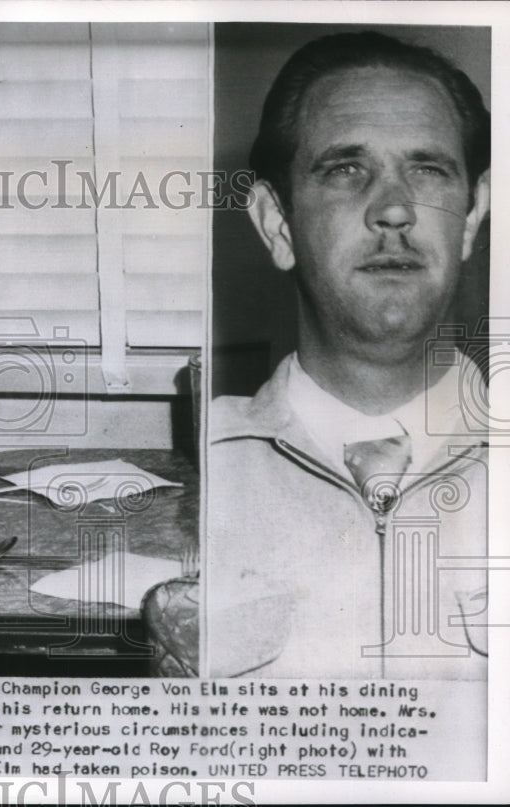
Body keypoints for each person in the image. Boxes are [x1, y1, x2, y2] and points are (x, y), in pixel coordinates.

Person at [208, 31, 490, 679]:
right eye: (345, 170)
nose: (393, 208)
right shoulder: (201, 477)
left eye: (427, 169)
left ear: (471, 218)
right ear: (279, 226)